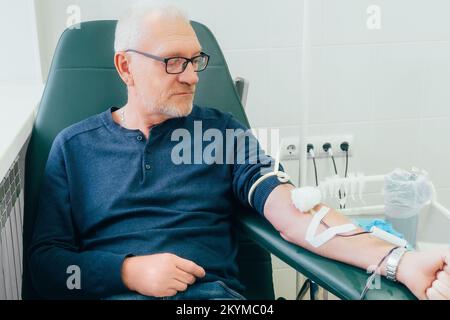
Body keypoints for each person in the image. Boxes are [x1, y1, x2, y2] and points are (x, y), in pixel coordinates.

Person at [29, 3, 450, 300]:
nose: (192, 76)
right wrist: (128, 272)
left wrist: (400, 261)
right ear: (126, 67)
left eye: (196, 60)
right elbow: (46, 266)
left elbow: (295, 215)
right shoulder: (74, 148)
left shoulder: (222, 135)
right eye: (174, 61)